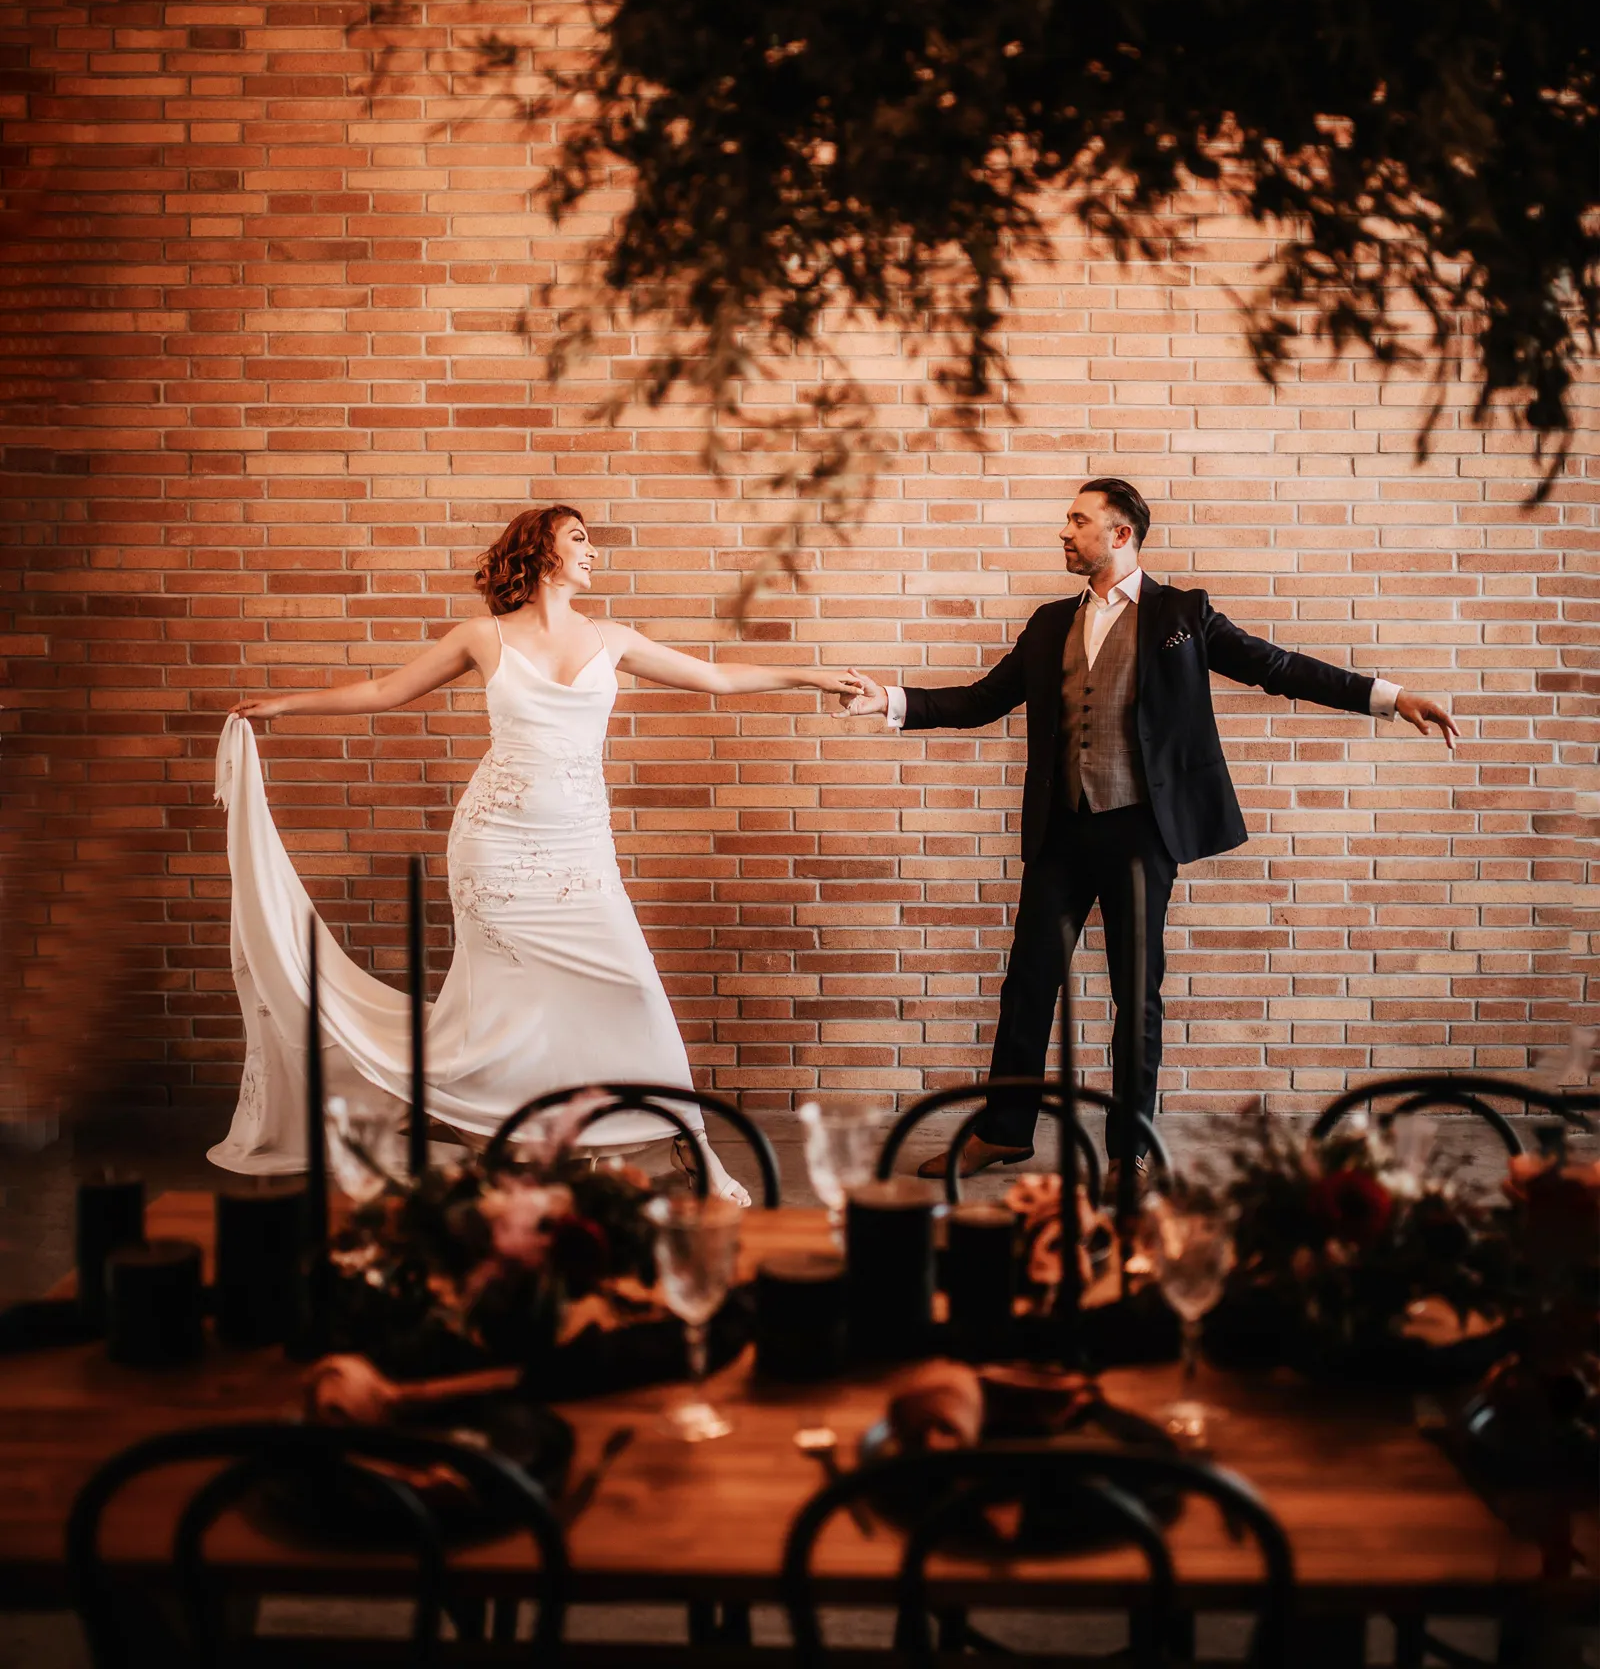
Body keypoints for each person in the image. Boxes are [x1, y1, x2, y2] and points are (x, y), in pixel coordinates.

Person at [214, 503, 857, 1205]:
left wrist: (810, 676)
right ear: (542, 550)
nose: (594, 551)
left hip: (581, 849)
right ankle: (498, 1133)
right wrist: (285, 705)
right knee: (502, 1011)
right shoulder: (482, 637)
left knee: (635, 990)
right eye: (580, 538)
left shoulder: (611, 638)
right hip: (494, 849)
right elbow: (383, 691)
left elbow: (716, 678)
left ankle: (691, 1143)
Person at [842, 478, 1458, 1187]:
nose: (1065, 533)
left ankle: (1126, 1152)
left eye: (1078, 521)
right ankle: (1004, 1131)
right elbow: (980, 700)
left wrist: (1388, 698)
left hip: (1141, 832)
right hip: (1061, 833)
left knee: (1137, 994)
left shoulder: (1183, 614)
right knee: (1028, 984)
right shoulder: (1049, 624)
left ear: (1121, 533)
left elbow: (1277, 667)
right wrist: (886, 700)